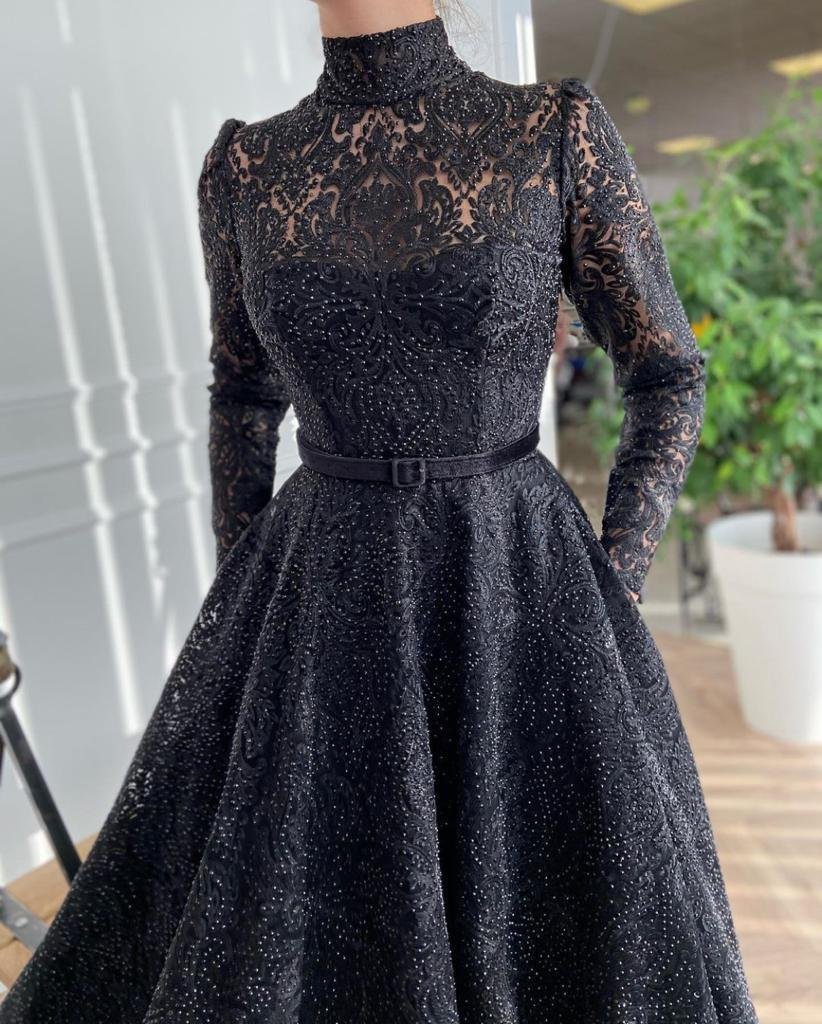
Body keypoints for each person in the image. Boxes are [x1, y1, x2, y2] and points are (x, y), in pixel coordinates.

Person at [0, 2, 759, 1021]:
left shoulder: (551, 131)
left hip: (517, 582)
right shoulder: (246, 169)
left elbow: (668, 371)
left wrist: (609, 582)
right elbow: (242, 395)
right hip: (326, 592)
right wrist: (248, 603)